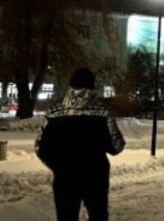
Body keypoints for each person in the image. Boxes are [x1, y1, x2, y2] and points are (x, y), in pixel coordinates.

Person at [35, 68, 125, 221]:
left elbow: (40, 148)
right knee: (98, 216)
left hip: (65, 177)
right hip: (95, 176)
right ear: (92, 86)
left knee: (66, 217)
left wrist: (57, 165)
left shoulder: (54, 112)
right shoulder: (103, 112)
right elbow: (116, 146)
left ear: (71, 85)